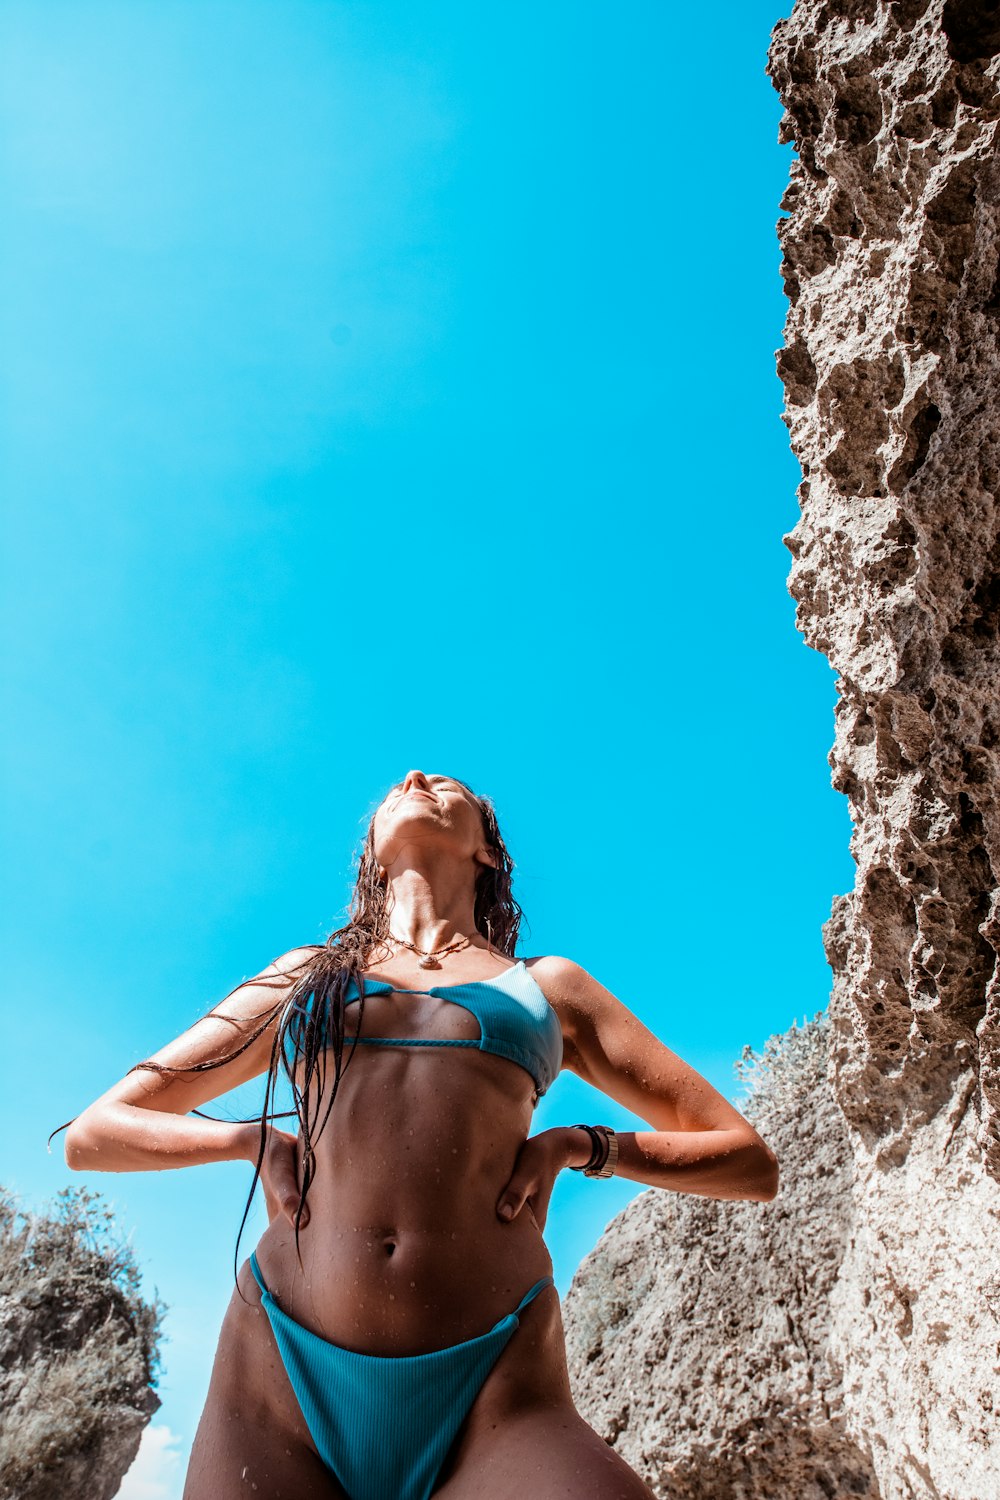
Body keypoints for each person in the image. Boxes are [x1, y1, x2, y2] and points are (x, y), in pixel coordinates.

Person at [64, 768, 779, 1499]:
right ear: (373, 853)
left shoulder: (547, 987)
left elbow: (749, 1161)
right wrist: (245, 1140)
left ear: (489, 855)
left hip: (496, 1388)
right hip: (281, 1372)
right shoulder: (304, 979)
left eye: (448, 785)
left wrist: (581, 1146)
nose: (415, 778)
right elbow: (95, 1133)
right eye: (402, 787)